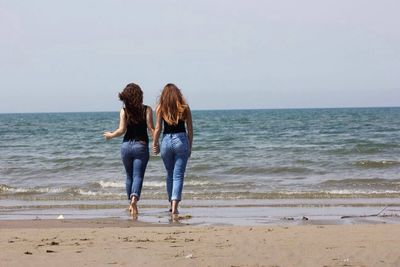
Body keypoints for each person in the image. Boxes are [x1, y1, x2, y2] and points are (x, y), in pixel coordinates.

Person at [103, 83, 154, 216]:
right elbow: (150, 128)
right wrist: (156, 141)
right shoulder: (147, 109)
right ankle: (134, 201)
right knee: (138, 176)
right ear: (140, 95)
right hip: (141, 146)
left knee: (129, 176)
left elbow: (121, 130)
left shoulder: (124, 111)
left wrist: (110, 135)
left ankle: (130, 204)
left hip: (126, 146)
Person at [153, 83, 193, 216]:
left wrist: (155, 143)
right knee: (178, 175)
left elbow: (158, 128)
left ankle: (171, 204)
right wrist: (190, 146)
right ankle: (175, 205)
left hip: (166, 141)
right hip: (181, 140)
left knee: (170, 174)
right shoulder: (184, 108)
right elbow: (190, 130)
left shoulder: (160, 108)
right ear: (178, 94)